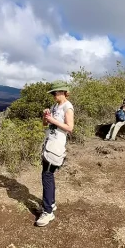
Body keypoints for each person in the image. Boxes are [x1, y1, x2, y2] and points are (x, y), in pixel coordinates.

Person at [37, 80, 74, 227]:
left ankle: (48, 212)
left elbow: (70, 127)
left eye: (56, 92)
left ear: (64, 92)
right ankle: (50, 204)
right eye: (53, 93)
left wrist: (53, 119)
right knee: (47, 175)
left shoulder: (67, 107)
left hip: (56, 145)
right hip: (49, 143)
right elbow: (45, 125)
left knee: (46, 175)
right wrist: (46, 116)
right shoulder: (54, 106)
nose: (54, 95)